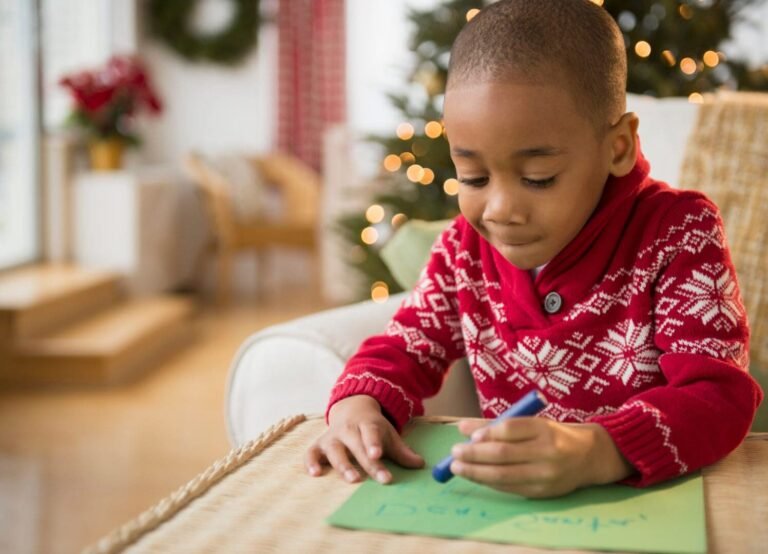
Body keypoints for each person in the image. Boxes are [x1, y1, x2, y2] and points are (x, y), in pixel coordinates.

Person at [305, 0, 763, 498]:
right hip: (511, 516)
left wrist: (598, 451)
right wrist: (358, 406)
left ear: (618, 147)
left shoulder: (679, 232)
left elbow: (718, 395)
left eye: (538, 178)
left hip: (657, 504)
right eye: (473, 177)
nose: (501, 209)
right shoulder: (463, 251)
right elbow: (404, 347)